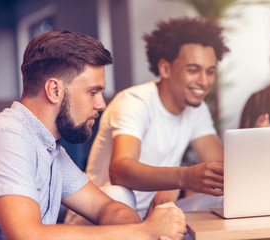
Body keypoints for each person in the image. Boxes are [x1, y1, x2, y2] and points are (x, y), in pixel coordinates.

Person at [0, 30, 186, 240]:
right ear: (54, 91)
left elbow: (108, 208)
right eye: (93, 92)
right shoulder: (8, 132)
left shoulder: (50, 149)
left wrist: (144, 233)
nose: (101, 104)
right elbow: (25, 235)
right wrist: (144, 231)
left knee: (118, 195)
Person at [67, 17, 229, 221]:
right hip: (101, 215)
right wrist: (181, 179)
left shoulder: (197, 109)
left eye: (210, 71)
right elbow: (120, 170)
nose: (204, 82)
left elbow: (223, 169)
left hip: (155, 214)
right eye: (193, 70)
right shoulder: (134, 101)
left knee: (226, 197)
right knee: (119, 193)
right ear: (165, 69)